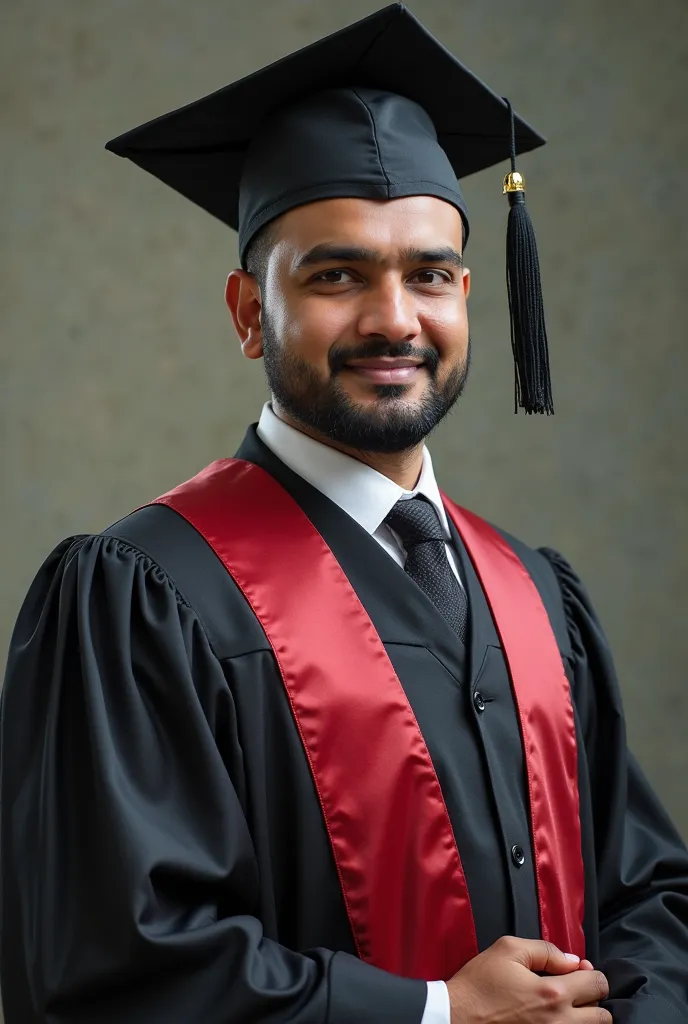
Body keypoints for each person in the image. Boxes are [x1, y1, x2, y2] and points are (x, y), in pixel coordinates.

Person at [1, 5, 687, 1023]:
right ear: (248, 312)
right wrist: (438, 1015)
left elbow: (645, 894)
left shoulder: (535, 594)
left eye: (430, 274)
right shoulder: (144, 598)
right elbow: (110, 966)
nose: (394, 319)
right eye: (336, 275)